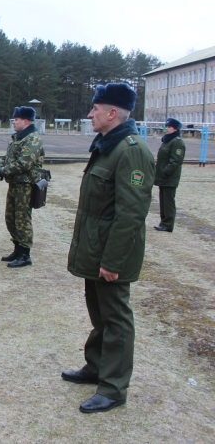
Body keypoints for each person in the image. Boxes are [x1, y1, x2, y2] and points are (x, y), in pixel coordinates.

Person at [64, 83, 155, 414]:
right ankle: (97, 367)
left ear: (112, 113)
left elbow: (131, 214)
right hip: (96, 249)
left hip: (111, 255)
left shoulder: (131, 151)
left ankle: (114, 387)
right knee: (99, 314)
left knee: (115, 319)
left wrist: (113, 261)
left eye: (95, 109)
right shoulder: (107, 145)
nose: (90, 114)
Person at [0, 106, 45, 268]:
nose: (13, 122)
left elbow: (24, 163)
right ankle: (17, 249)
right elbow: (7, 157)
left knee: (22, 219)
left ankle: (25, 254)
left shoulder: (32, 139)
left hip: (26, 185)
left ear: (25, 121)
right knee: (11, 218)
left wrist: (3, 170)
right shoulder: (18, 137)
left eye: (16, 120)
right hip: (15, 184)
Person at [154, 117, 185, 232]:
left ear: (175, 129)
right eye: (166, 126)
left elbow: (176, 161)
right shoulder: (167, 140)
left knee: (168, 201)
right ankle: (163, 222)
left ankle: (168, 224)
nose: (166, 129)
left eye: (169, 127)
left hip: (169, 177)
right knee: (163, 200)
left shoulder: (177, 142)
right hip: (163, 176)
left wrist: (165, 172)